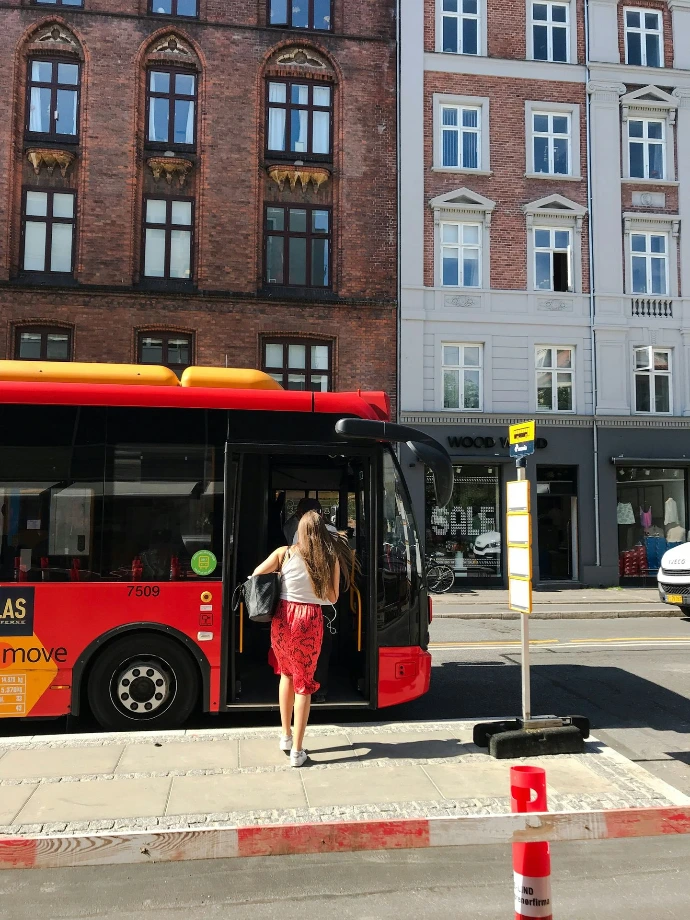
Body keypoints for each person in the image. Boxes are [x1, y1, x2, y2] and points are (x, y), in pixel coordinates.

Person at [252, 510, 340, 767]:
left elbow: (257, 574)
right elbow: (333, 598)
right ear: (323, 531)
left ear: (299, 531)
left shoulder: (284, 553)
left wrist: (283, 579)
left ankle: (285, 737)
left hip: (283, 617)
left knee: (286, 675)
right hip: (309, 619)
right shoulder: (330, 558)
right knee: (305, 683)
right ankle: (298, 752)